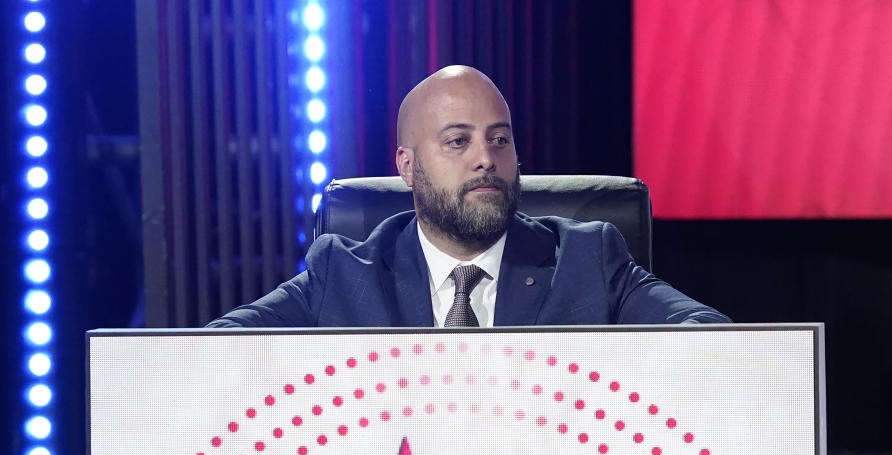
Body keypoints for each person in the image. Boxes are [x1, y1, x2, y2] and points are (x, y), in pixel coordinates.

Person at [207, 65, 729, 328]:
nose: (486, 158)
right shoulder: (343, 275)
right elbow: (216, 349)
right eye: (459, 141)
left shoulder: (588, 260)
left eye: (499, 139)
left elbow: (712, 338)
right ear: (407, 167)